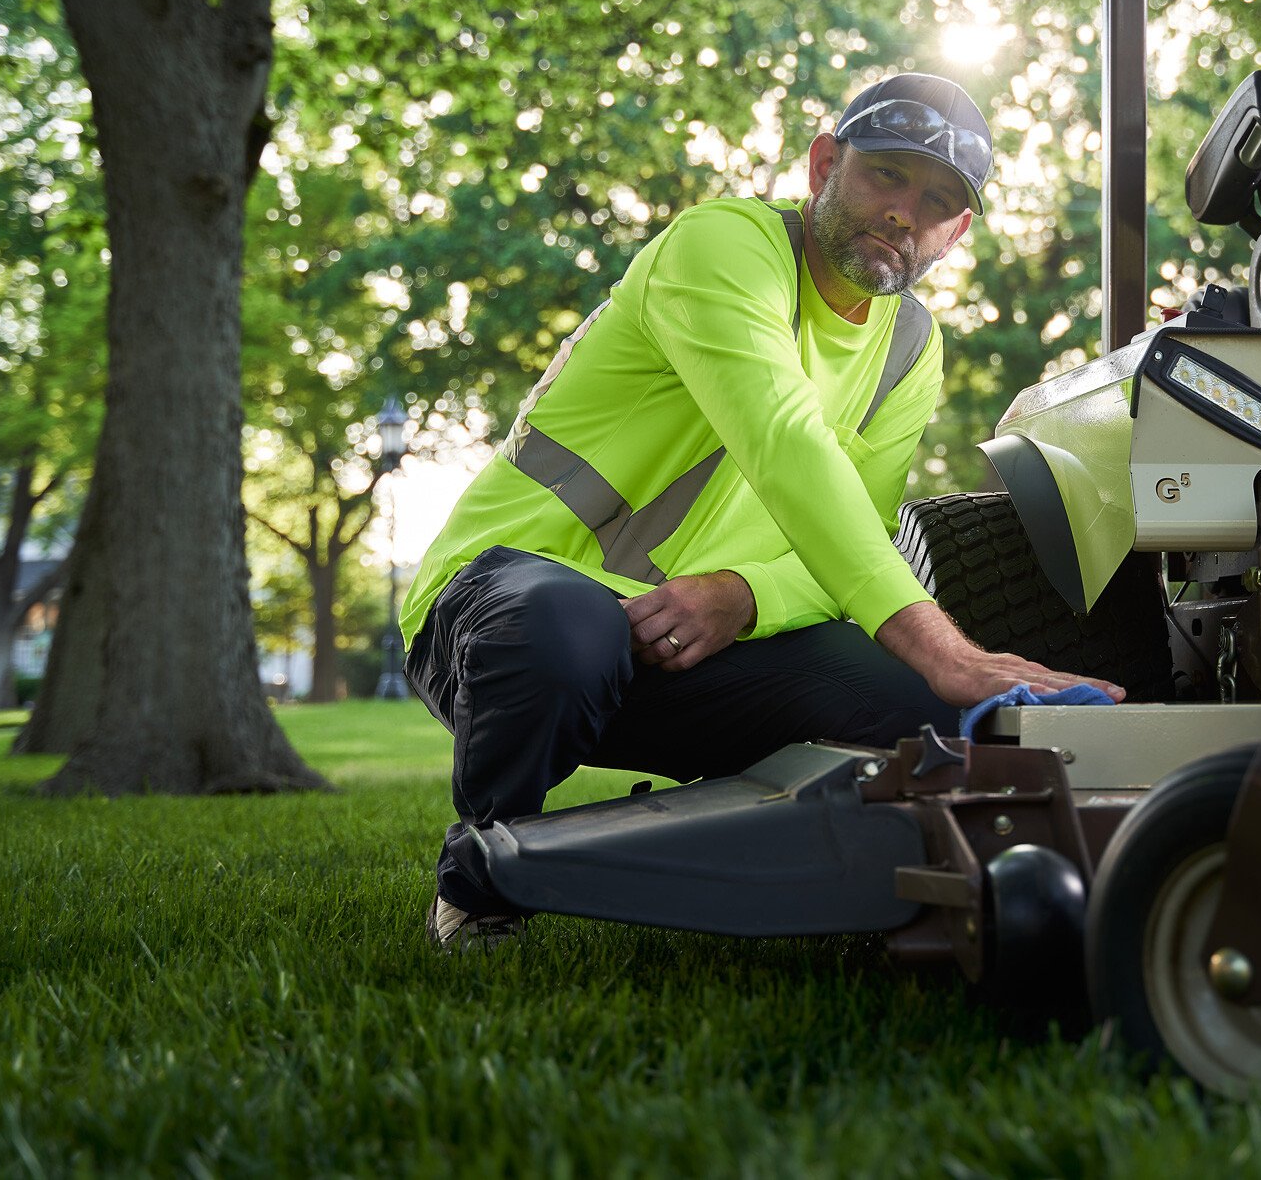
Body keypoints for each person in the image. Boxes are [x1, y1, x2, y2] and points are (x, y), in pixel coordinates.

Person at [400, 72, 1125, 950]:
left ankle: (820, 879)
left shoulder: (909, 345)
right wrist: (945, 647)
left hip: (690, 641)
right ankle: (479, 887)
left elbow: (855, 532)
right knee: (565, 630)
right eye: (886, 175)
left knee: (904, 699)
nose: (905, 213)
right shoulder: (724, 244)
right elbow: (786, 442)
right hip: (506, 613)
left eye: (937, 201)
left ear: (957, 232)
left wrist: (744, 594)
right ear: (824, 164)